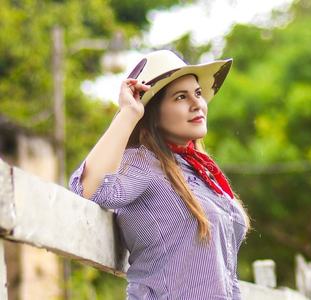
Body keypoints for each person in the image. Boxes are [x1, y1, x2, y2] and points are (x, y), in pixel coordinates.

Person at [69, 49, 251, 300]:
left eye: (198, 94)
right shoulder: (145, 163)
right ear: (154, 113)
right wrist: (129, 114)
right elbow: (89, 189)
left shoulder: (201, 173)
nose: (197, 103)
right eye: (180, 97)